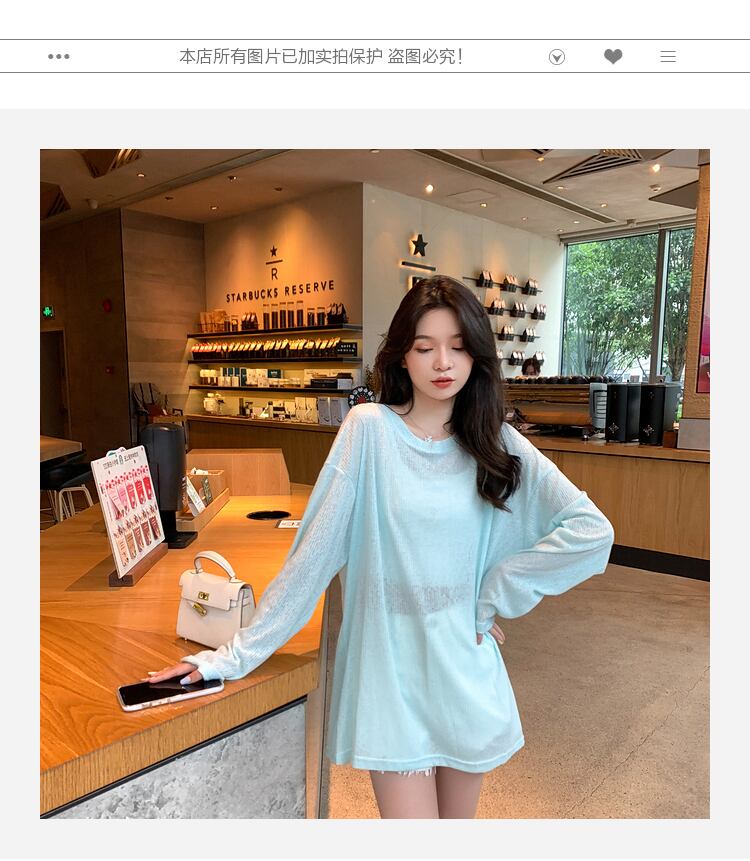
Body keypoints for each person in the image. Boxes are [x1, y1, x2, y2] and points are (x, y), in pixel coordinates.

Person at [146, 275, 615, 819]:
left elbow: (590, 531)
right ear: (402, 357)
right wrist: (233, 656)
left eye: (458, 346)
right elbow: (312, 559)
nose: (443, 362)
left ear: (477, 356)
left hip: (465, 669)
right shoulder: (369, 430)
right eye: (425, 347)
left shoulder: (495, 440)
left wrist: (494, 591)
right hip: (391, 676)